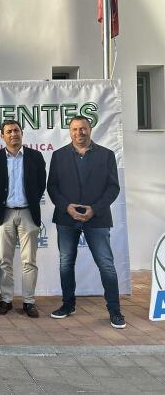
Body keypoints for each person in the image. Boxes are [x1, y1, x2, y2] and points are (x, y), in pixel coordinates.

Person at [47, 115, 125, 328]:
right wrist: (67, 207)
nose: (79, 133)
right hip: (66, 217)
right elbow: (52, 186)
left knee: (106, 265)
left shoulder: (106, 155)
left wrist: (95, 209)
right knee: (66, 264)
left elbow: (113, 187)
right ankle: (67, 305)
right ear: (69, 131)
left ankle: (115, 311)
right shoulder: (59, 155)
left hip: (97, 218)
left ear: (90, 130)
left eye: (83, 129)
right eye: (74, 129)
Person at [0, 120, 46, 318]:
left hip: (29, 213)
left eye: (17, 131)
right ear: (2, 136)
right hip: (6, 214)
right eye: (9, 131)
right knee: (5, 260)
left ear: (22, 133)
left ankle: (29, 302)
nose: (14, 134)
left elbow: (40, 184)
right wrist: (4, 203)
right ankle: (6, 299)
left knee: (29, 260)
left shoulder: (35, 157)